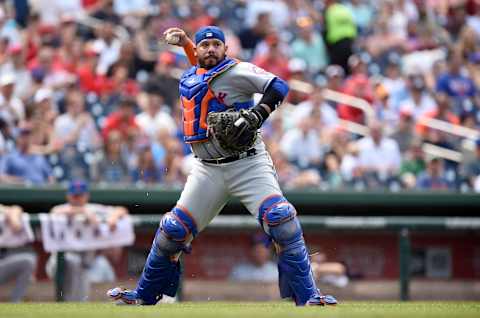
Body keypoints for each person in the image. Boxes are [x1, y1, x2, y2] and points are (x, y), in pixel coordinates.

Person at [108, 26, 337, 306]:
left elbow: (279, 86)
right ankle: (143, 296)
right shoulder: (195, 72)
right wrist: (185, 43)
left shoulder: (237, 71)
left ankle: (308, 297)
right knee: (173, 230)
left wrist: (256, 115)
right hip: (206, 167)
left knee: (281, 219)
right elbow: (204, 70)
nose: (210, 49)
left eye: (217, 44)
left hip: (247, 164)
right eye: (205, 45)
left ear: (226, 49)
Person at [46, 180, 128, 301]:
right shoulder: (61, 208)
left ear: (86, 196)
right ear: (68, 195)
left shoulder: (93, 209)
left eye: (81, 195)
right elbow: (53, 213)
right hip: (60, 261)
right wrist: (82, 212)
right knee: (73, 262)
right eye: (75, 195)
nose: (77, 198)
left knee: (80, 300)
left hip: (84, 264)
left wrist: (113, 217)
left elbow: (121, 210)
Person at [0, 204, 37, 302]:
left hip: (3, 260)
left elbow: (16, 224)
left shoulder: (9, 210)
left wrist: (10, 214)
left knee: (28, 261)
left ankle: (15, 301)